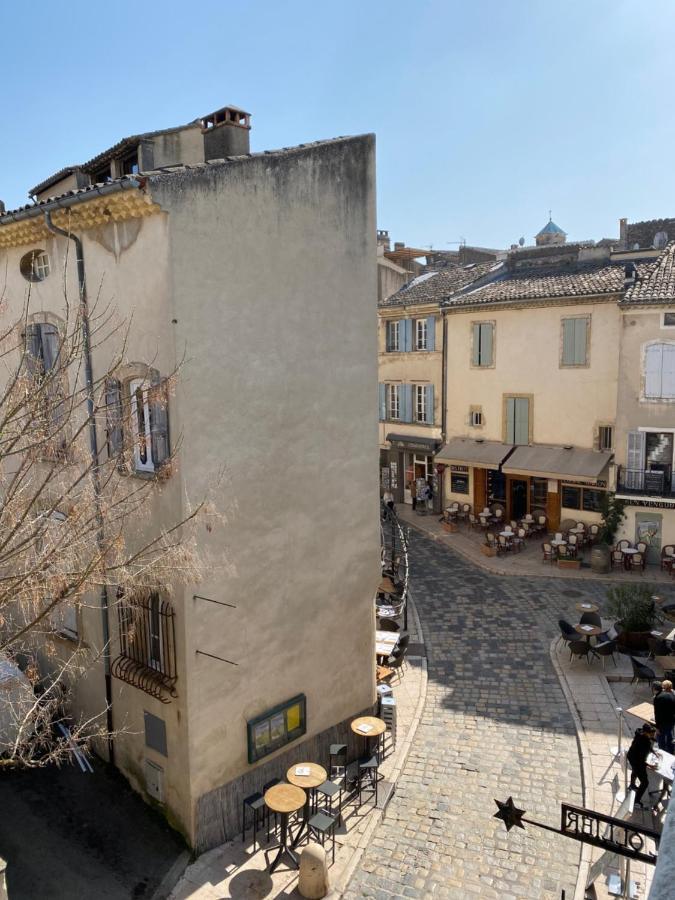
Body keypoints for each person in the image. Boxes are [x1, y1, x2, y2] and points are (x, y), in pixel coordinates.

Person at [627, 723, 657, 807]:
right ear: (647, 733)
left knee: (634, 771)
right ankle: (636, 801)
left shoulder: (640, 734)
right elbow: (640, 760)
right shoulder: (644, 743)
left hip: (632, 756)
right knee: (645, 782)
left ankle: (632, 785)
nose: (653, 735)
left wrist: (653, 752)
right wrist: (650, 766)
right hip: (636, 761)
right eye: (652, 733)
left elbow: (648, 745)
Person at [654, 679, 675, 753]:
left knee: (661, 740)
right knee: (670, 737)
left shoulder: (659, 697)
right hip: (671, 721)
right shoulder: (673, 694)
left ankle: (662, 754)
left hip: (662, 723)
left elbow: (658, 714)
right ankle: (671, 752)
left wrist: (657, 727)